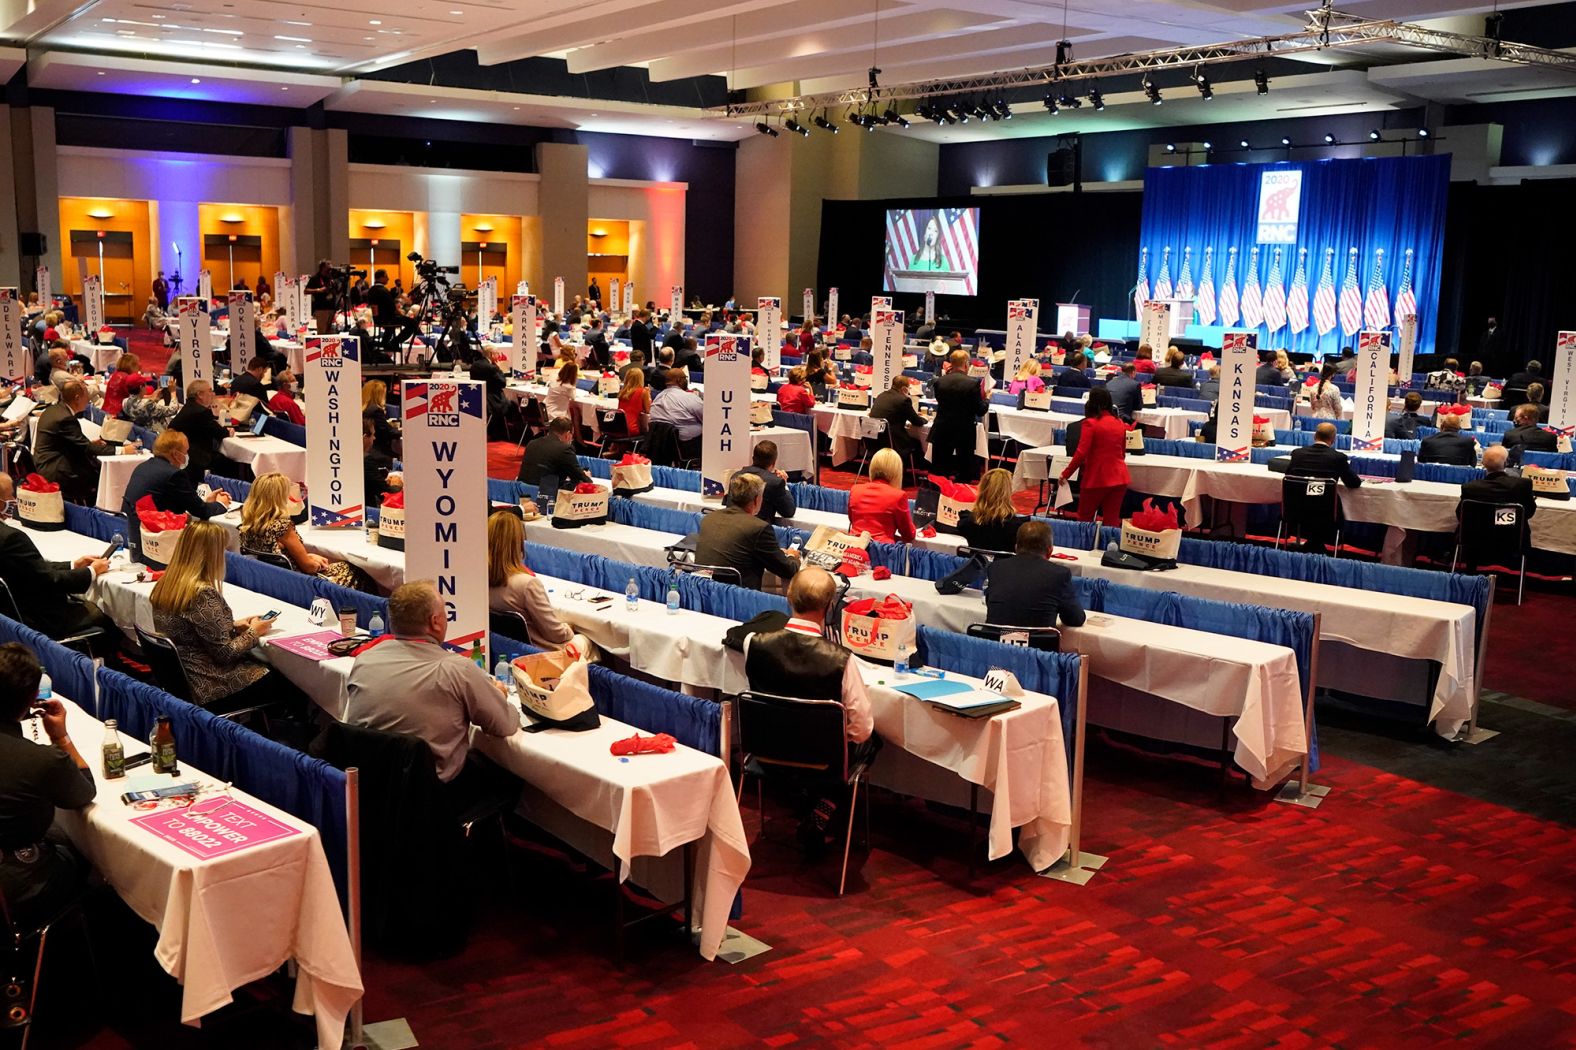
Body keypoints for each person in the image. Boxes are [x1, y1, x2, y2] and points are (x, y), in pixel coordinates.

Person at [346, 581, 520, 811]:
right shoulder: (457, 669)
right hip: (431, 797)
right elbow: (504, 725)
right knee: (510, 776)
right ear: (436, 622)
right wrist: (498, 696)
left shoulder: (365, 659)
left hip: (368, 791)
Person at [741, 565, 875, 852]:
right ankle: (826, 803)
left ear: (788, 596)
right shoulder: (841, 659)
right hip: (824, 761)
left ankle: (811, 800)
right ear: (829, 606)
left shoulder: (755, 644)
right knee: (870, 741)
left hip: (766, 750)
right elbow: (861, 729)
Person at [149, 522, 310, 713]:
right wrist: (254, 632)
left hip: (187, 679)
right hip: (215, 684)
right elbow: (225, 654)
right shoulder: (202, 594)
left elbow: (190, 630)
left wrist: (233, 626)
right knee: (297, 682)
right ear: (211, 555)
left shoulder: (166, 584)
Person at [0, 643, 96, 931]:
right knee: (88, 860)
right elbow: (83, 792)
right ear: (33, 700)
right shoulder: (41, 760)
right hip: (17, 888)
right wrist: (61, 737)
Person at [0, 475, 112, 638]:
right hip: (39, 619)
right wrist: (91, 572)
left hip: (10, 615)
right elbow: (50, 580)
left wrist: (72, 565)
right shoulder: (11, 538)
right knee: (104, 614)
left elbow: (31, 568)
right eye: (10, 496)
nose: (14, 501)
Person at [239, 472, 374, 591]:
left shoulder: (246, 526)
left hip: (271, 580)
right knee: (355, 570)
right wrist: (313, 562)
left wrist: (309, 556)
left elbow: (279, 555)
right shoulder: (283, 527)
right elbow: (308, 567)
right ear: (279, 497)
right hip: (300, 583)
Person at [121, 431, 232, 560]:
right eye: (186, 451)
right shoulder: (174, 474)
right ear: (175, 454)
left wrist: (207, 502)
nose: (187, 455)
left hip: (136, 536)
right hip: (157, 545)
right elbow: (201, 511)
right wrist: (221, 504)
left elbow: (180, 502)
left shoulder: (143, 467)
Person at [694, 472, 800, 590]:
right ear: (756, 500)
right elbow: (788, 570)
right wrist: (792, 556)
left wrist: (775, 551)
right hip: (739, 597)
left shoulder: (709, 519)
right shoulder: (759, 528)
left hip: (701, 591)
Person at [487, 512, 573, 650]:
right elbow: (556, 635)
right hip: (542, 651)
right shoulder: (527, 584)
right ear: (518, 543)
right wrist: (569, 628)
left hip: (507, 649)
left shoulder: (480, 581)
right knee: (586, 641)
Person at [984, 520, 1086, 628]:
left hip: (996, 641)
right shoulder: (1059, 575)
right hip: (1037, 643)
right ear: (1050, 551)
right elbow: (1076, 619)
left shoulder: (996, 568)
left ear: (1016, 547)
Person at [34, 379, 112, 503]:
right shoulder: (65, 418)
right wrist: (123, 450)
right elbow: (87, 448)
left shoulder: (53, 410)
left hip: (46, 462)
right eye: (87, 397)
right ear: (77, 398)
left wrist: (90, 444)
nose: (89, 400)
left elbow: (74, 442)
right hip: (55, 470)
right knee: (99, 474)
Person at [1059, 388, 1129, 524]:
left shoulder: (1090, 423)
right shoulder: (1119, 423)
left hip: (1096, 478)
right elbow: (1123, 453)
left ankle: (1084, 545)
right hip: (1119, 477)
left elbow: (1081, 453)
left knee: (1084, 519)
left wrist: (1066, 474)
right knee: (1112, 521)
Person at [932, 350, 987, 481]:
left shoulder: (940, 382)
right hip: (963, 431)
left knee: (939, 470)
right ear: (966, 364)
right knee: (964, 470)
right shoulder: (973, 384)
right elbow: (980, 410)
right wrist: (987, 399)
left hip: (942, 428)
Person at [169, 380, 237, 482]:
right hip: (194, 458)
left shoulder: (189, 407)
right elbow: (220, 433)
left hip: (181, 453)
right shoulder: (201, 412)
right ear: (200, 395)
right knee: (229, 462)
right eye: (209, 391)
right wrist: (228, 432)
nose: (213, 394)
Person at [848, 448, 916, 544]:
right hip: (882, 551)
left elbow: (852, 520)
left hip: (854, 546)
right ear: (897, 471)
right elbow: (909, 535)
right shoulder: (898, 496)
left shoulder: (855, 490)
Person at [1461, 445, 1536, 525]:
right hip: (1512, 535)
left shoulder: (1469, 488)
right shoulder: (1522, 485)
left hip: (1476, 535)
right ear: (1506, 462)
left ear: (1483, 463)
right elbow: (1528, 513)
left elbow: (1461, 515)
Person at [956, 468, 1027, 552]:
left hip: (976, 563)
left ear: (982, 490)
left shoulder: (967, 523)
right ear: (1008, 492)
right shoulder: (1017, 528)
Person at [517, 416, 591, 488]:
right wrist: (586, 476)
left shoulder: (532, 443)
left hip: (522, 492)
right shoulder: (565, 448)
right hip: (545, 495)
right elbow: (583, 479)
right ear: (568, 434)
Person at [868, 375, 927, 465]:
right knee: (917, 443)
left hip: (873, 439)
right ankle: (903, 471)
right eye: (908, 387)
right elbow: (917, 422)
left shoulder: (881, 395)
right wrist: (925, 419)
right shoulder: (904, 400)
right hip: (892, 440)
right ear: (904, 388)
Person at [648, 368, 704, 458]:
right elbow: (708, 419)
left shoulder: (657, 398)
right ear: (679, 380)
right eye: (685, 378)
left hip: (661, 446)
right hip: (687, 446)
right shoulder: (689, 398)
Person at [1288, 422, 1362, 490]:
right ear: (1333, 440)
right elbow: (1354, 483)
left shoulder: (1297, 453)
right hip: (1325, 503)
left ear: (1314, 436)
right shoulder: (1339, 458)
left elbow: (1288, 477)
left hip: (1297, 501)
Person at [740, 439, 796, 525]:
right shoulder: (775, 482)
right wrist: (784, 484)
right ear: (773, 463)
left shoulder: (736, 476)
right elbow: (789, 512)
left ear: (753, 458)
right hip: (759, 532)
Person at [363, 418, 401, 504]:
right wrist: (398, 485)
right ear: (365, 437)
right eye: (372, 435)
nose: (374, 438)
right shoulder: (366, 460)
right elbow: (385, 493)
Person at [362, 380, 401, 458]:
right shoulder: (375, 410)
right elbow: (388, 432)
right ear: (378, 395)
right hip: (378, 452)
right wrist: (405, 432)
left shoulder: (363, 408)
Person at [103, 352, 148, 418]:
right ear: (132, 366)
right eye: (138, 365)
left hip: (106, 411)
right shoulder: (128, 379)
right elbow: (137, 397)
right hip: (118, 415)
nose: (139, 367)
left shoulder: (115, 375)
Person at [617, 366, 650, 435]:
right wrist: (649, 397)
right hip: (632, 428)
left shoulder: (622, 392)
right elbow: (648, 411)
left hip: (618, 427)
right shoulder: (643, 392)